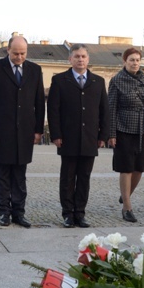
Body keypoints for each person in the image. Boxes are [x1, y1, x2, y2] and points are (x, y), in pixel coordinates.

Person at [0, 36, 45, 228]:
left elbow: (39, 102)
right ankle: (4, 212)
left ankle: (19, 212)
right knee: (2, 175)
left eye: (23, 53)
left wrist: (38, 130)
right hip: (1, 131)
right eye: (15, 53)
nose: (19, 57)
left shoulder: (35, 70)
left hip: (25, 132)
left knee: (20, 175)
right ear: (7, 50)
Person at [47, 44, 109, 228]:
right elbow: (53, 110)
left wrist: (103, 135)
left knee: (84, 178)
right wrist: (56, 134)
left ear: (88, 59)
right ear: (70, 59)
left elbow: (104, 110)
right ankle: (67, 213)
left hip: (90, 137)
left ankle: (80, 213)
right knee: (67, 178)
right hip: (67, 137)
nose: (80, 59)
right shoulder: (59, 80)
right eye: (76, 56)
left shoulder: (98, 81)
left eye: (83, 56)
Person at [107, 48, 144, 223]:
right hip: (123, 128)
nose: (135, 63)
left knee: (138, 169)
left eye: (137, 60)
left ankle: (125, 194)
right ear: (125, 62)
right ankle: (127, 207)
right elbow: (111, 108)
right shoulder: (116, 81)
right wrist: (111, 133)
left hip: (141, 128)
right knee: (126, 168)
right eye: (131, 60)